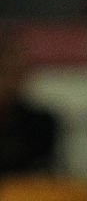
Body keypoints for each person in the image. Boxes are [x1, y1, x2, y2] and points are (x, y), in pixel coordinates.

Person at [0, 27, 60, 175]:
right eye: (4, 71)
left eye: (18, 71)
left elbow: (41, 176)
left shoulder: (40, 124)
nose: (11, 81)